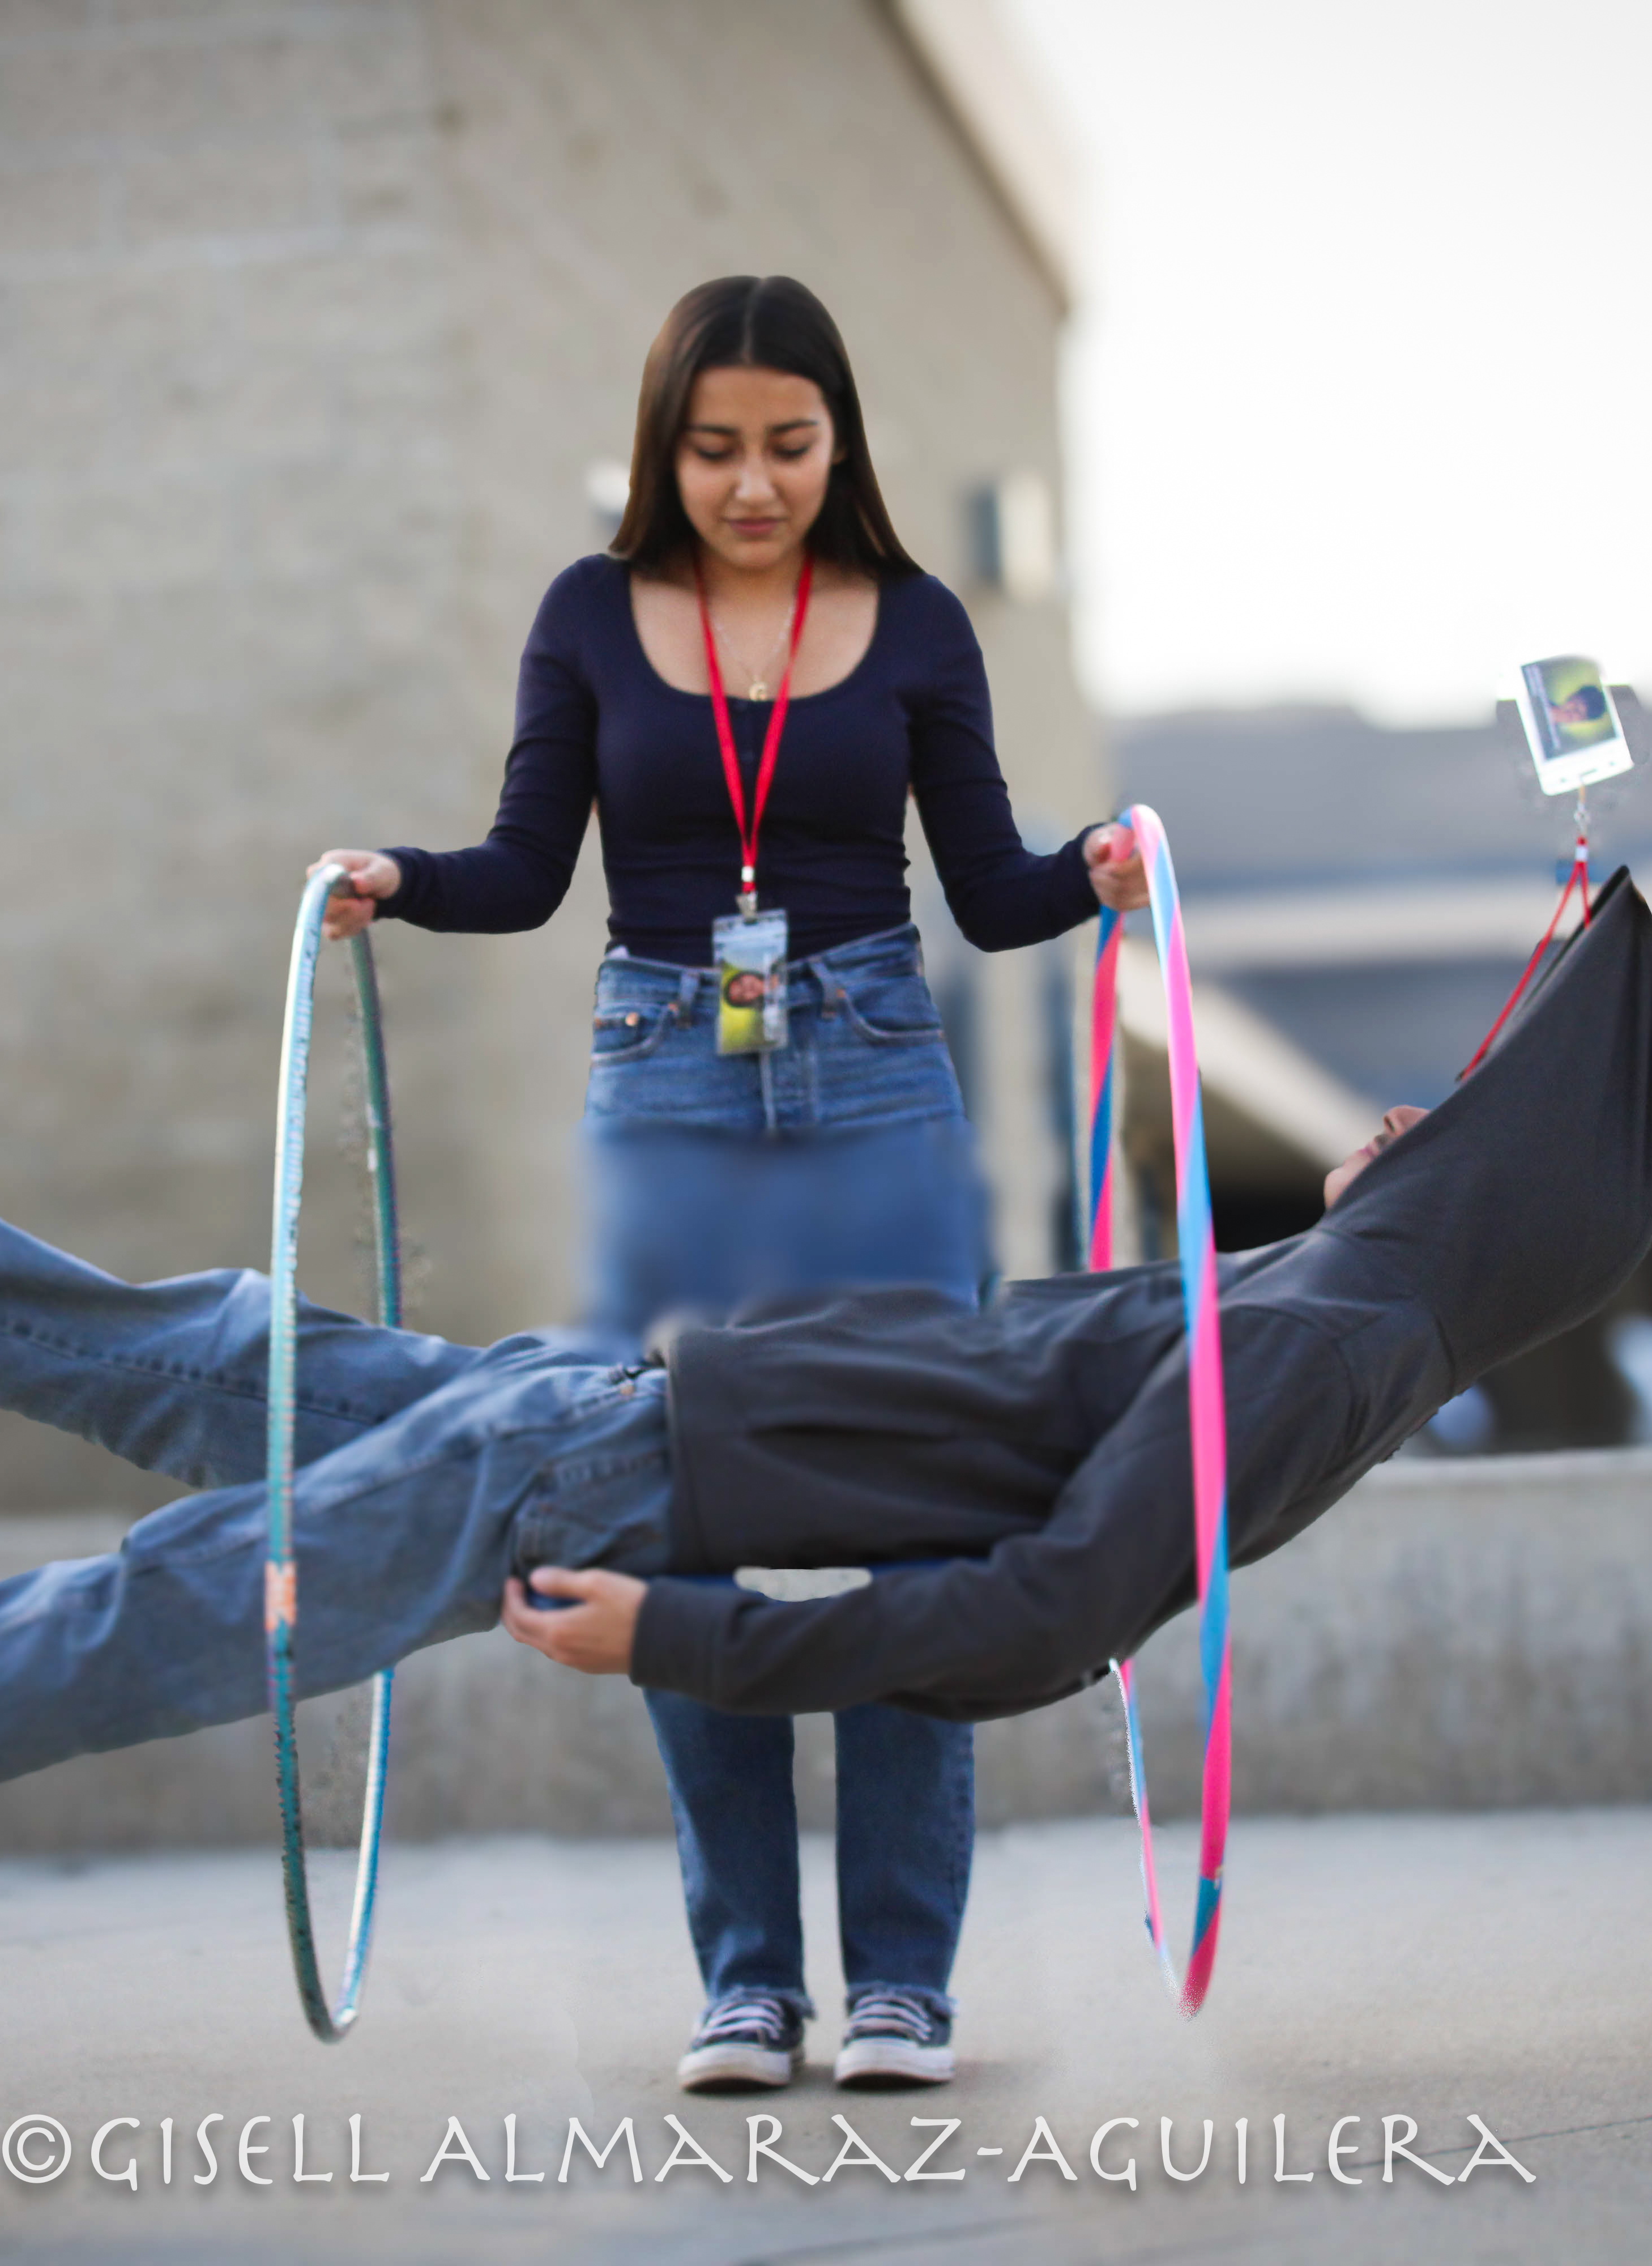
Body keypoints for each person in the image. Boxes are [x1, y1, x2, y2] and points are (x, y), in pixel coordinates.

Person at [0, 872, 1652, 1974]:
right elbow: (1011, 1461)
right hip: (624, 1405)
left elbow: (1057, 1610)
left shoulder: (1337, 1337)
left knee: (142, 1621)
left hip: (624, 1478)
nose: (1395, 1109)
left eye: (1456, 1096)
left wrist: (680, 1638)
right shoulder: (1319, 1295)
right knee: (222, 1347)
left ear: (1491, 1172)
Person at [307, 275, 1149, 2092]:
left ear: (838, 441)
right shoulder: (591, 616)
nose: (751, 484)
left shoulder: (916, 623)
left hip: (875, 1073)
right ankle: (748, 1983)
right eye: (713, 449)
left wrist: (1099, 863)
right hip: (665, 1076)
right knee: (679, 1502)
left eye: (787, 445)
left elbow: (993, 889)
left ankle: (906, 1981)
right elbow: (530, 868)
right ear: (660, 448)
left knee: (921, 1503)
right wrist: (402, 876)